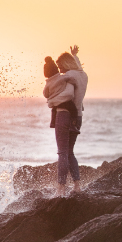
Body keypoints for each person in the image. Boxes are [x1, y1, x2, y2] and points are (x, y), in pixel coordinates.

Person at [43, 45, 88, 196]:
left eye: (61, 65)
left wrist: (52, 101)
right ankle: (77, 185)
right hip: (78, 117)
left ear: (66, 65)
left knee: (62, 152)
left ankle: (61, 188)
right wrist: (74, 55)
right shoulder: (83, 75)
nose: (59, 69)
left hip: (65, 115)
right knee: (70, 152)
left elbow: (68, 95)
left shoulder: (69, 76)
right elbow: (78, 68)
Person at [43, 56, 80, 133]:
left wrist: (49, 95)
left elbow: (45, 94)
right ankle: (72, 125)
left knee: (54, 110)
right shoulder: (62, 78)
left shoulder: (48, 82)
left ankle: (53, 122)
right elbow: (72, 80)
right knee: (73, 110)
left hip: (54, 103)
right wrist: (75, 84)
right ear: (56, 69)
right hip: (65, 102)